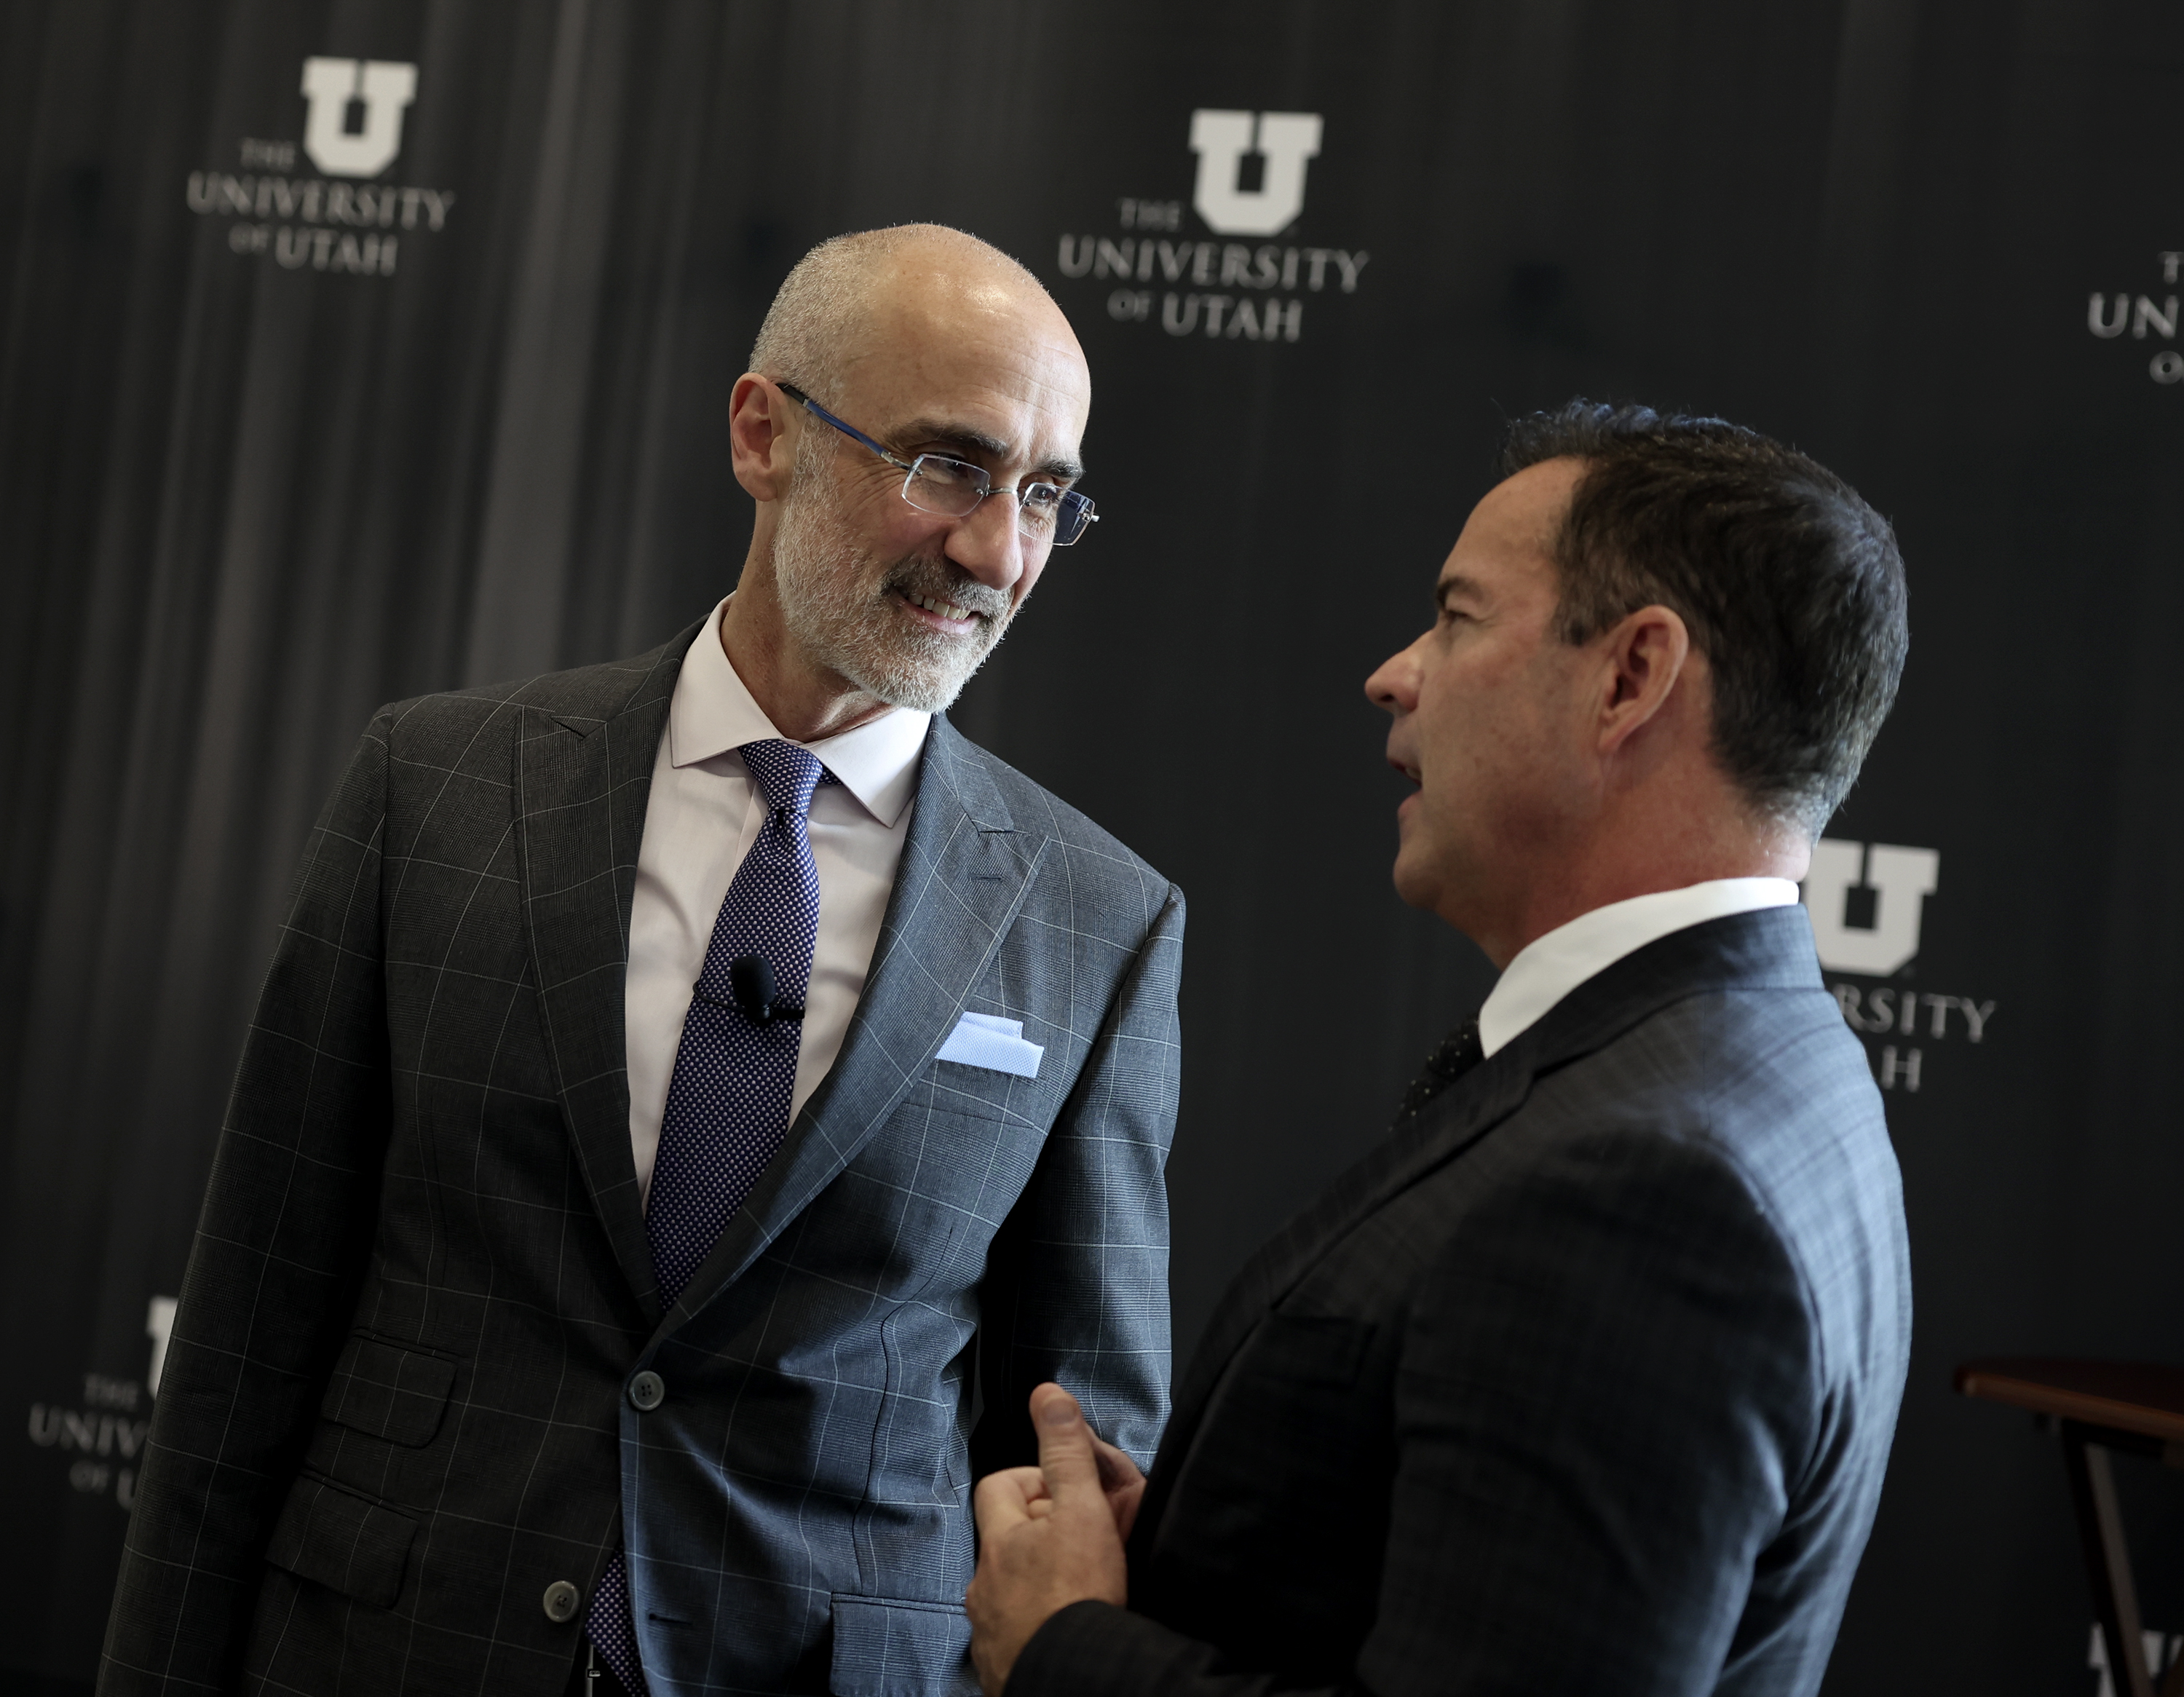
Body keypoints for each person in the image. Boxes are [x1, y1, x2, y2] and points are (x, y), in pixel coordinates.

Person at [100, 225, 1184, 1697]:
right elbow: (248, 1325)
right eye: (950, 465)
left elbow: (1076, 1472)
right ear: (765, 434)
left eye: (1045, 493)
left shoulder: (1096, 922)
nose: (999, 551)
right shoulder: (436, 790)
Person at [966, 402, 1912, 1697]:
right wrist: (1193, 1551)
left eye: (1458, 618)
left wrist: (1068, 1643)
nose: (1394, 673)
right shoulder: (1758, 1056)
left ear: (1630, 679)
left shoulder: (1645, 1194)